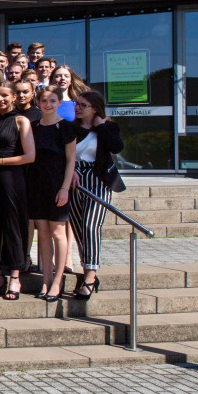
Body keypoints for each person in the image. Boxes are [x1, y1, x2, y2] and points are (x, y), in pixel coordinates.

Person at [0, 83, 36, 300]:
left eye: (5, 96)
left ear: (14, 97)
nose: (0, 99)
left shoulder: (21, 121)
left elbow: (30, 156)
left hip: (12, 179)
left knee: (13, 226)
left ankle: (15, 276)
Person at [70, 90, 124, 299]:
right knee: (79, 228)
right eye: (77, 104)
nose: (78, 108)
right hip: (74, 180)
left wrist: (100, 125)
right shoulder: (71, 128)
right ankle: (87, 272)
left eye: (83, 105)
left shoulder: (108, 127)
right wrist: (72, 170)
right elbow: (64, 153)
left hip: (98, 181)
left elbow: (116, 147)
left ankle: (90, 278)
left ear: (95, 108)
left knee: (91, 226)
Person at [28, 86, 77, 301]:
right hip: (37, 186)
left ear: (59, 102)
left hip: (58, 186)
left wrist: (65, 187)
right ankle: (46, 281)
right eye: (44, 100)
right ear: (38, 102)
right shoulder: (33, 127)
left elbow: (70, 160)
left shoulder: (66, 127)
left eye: (52, 100)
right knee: (44, 234)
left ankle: (58, 281)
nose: (48, 104)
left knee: (58, 232)